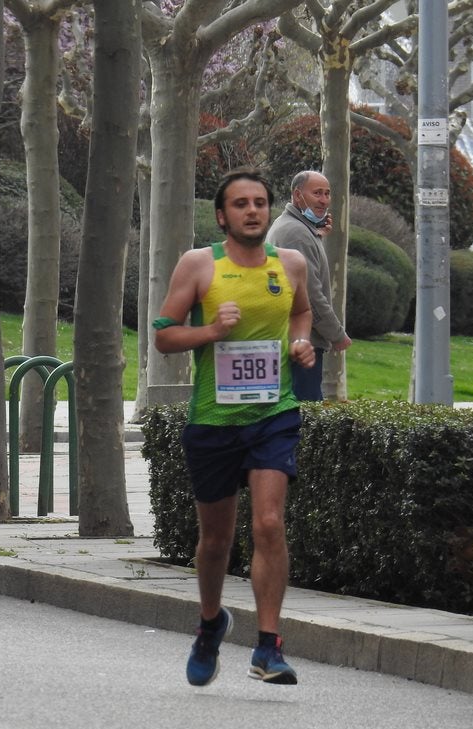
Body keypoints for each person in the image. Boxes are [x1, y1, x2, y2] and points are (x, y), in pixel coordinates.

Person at [153, 169, 315, 686]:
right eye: (241, 204)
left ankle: (269, 647)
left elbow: (302, 312)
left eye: (261, 203)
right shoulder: (200, 265)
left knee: (268, 523)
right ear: (222, 215)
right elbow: (164, 335)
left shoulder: (290, 263)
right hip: (214, 421)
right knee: (216, 540)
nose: (253, 211)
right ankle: (209, 624)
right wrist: (212, 331)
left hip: (274, 415)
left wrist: (301, 343)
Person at [266, 170, 352, 401]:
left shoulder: (295, 227)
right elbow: (310, 295)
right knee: (303, 416)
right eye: (317, 193)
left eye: (327, 193)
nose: (324, 200)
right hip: (300, 343)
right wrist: (336, 334)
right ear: (297, 195)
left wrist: (318, 234)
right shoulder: (296, 234)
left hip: (292, 340)